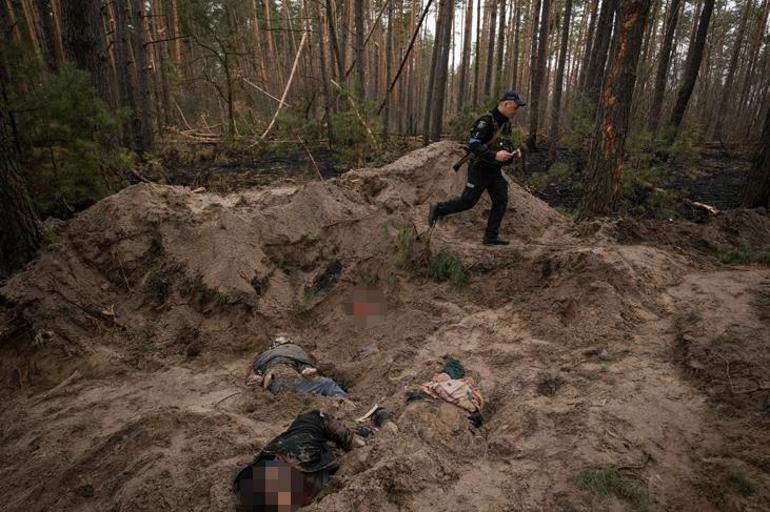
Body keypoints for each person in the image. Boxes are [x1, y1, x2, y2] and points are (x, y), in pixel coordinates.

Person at [428, 91, 527, 245]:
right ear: (506, 104)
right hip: (479, 169)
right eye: (515, 107)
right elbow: (473, 145)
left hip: (494, 171)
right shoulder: (486, 121)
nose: (516, 111)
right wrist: (494, 155)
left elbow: (506, 143)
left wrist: (514, 151)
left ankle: (490, 237)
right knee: (468, 201)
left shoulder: (506, 123)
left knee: (501, 200)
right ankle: (439, 209)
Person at [233, 410, 374, 511]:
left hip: (254, 482)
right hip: (283, 476)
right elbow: (340, 433)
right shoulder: (314, 419)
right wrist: (353, 440)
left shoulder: (288, 438)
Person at [249, 337, 349, 399]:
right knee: (328, 383)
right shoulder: (294, 350)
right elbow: (305, 370)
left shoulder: (263, 356)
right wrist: (315, 370)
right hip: (292, 386)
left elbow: (255, 376)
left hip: (274, 387)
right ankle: (346, 403)